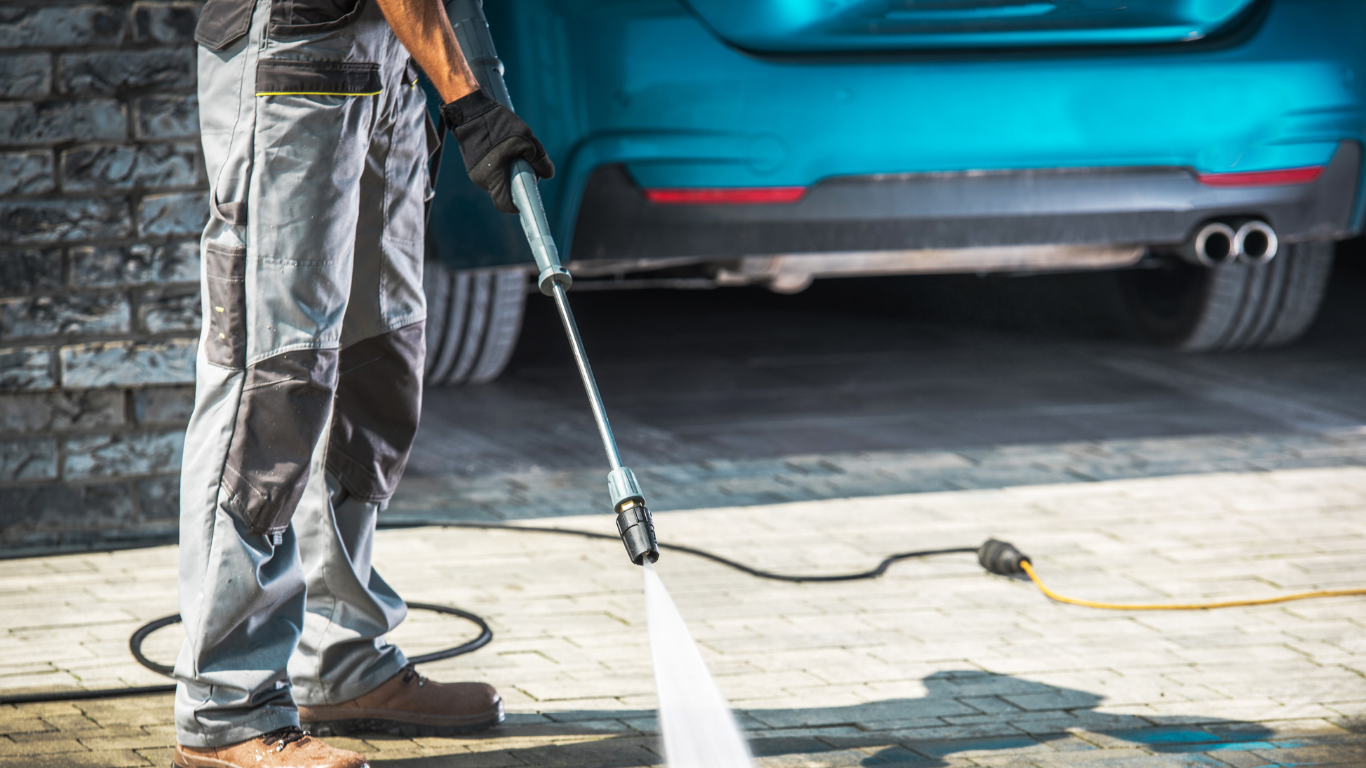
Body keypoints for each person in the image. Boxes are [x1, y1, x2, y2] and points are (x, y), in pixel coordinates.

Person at [175, 0, 553, 764]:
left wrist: (477, 86)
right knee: (273, 382)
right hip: (292, 59)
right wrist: (467, 98)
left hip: (387, 67)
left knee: (376, 367)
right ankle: (228, 704)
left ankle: (340, 658)